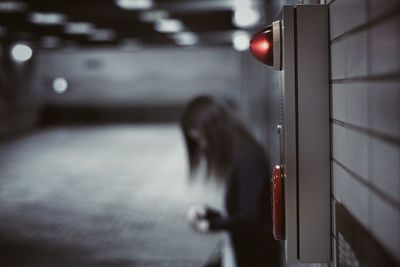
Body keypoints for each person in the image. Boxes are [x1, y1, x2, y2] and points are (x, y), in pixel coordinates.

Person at [180, 96, 280, 267]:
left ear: (214, 131)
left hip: (256, 256)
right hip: (245, 252)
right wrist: (209, 214)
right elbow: (243, 213)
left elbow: (249, 218)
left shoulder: (247, 156)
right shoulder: (241, 154)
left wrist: (210, 224)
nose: (203, 147)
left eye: (202, 139)